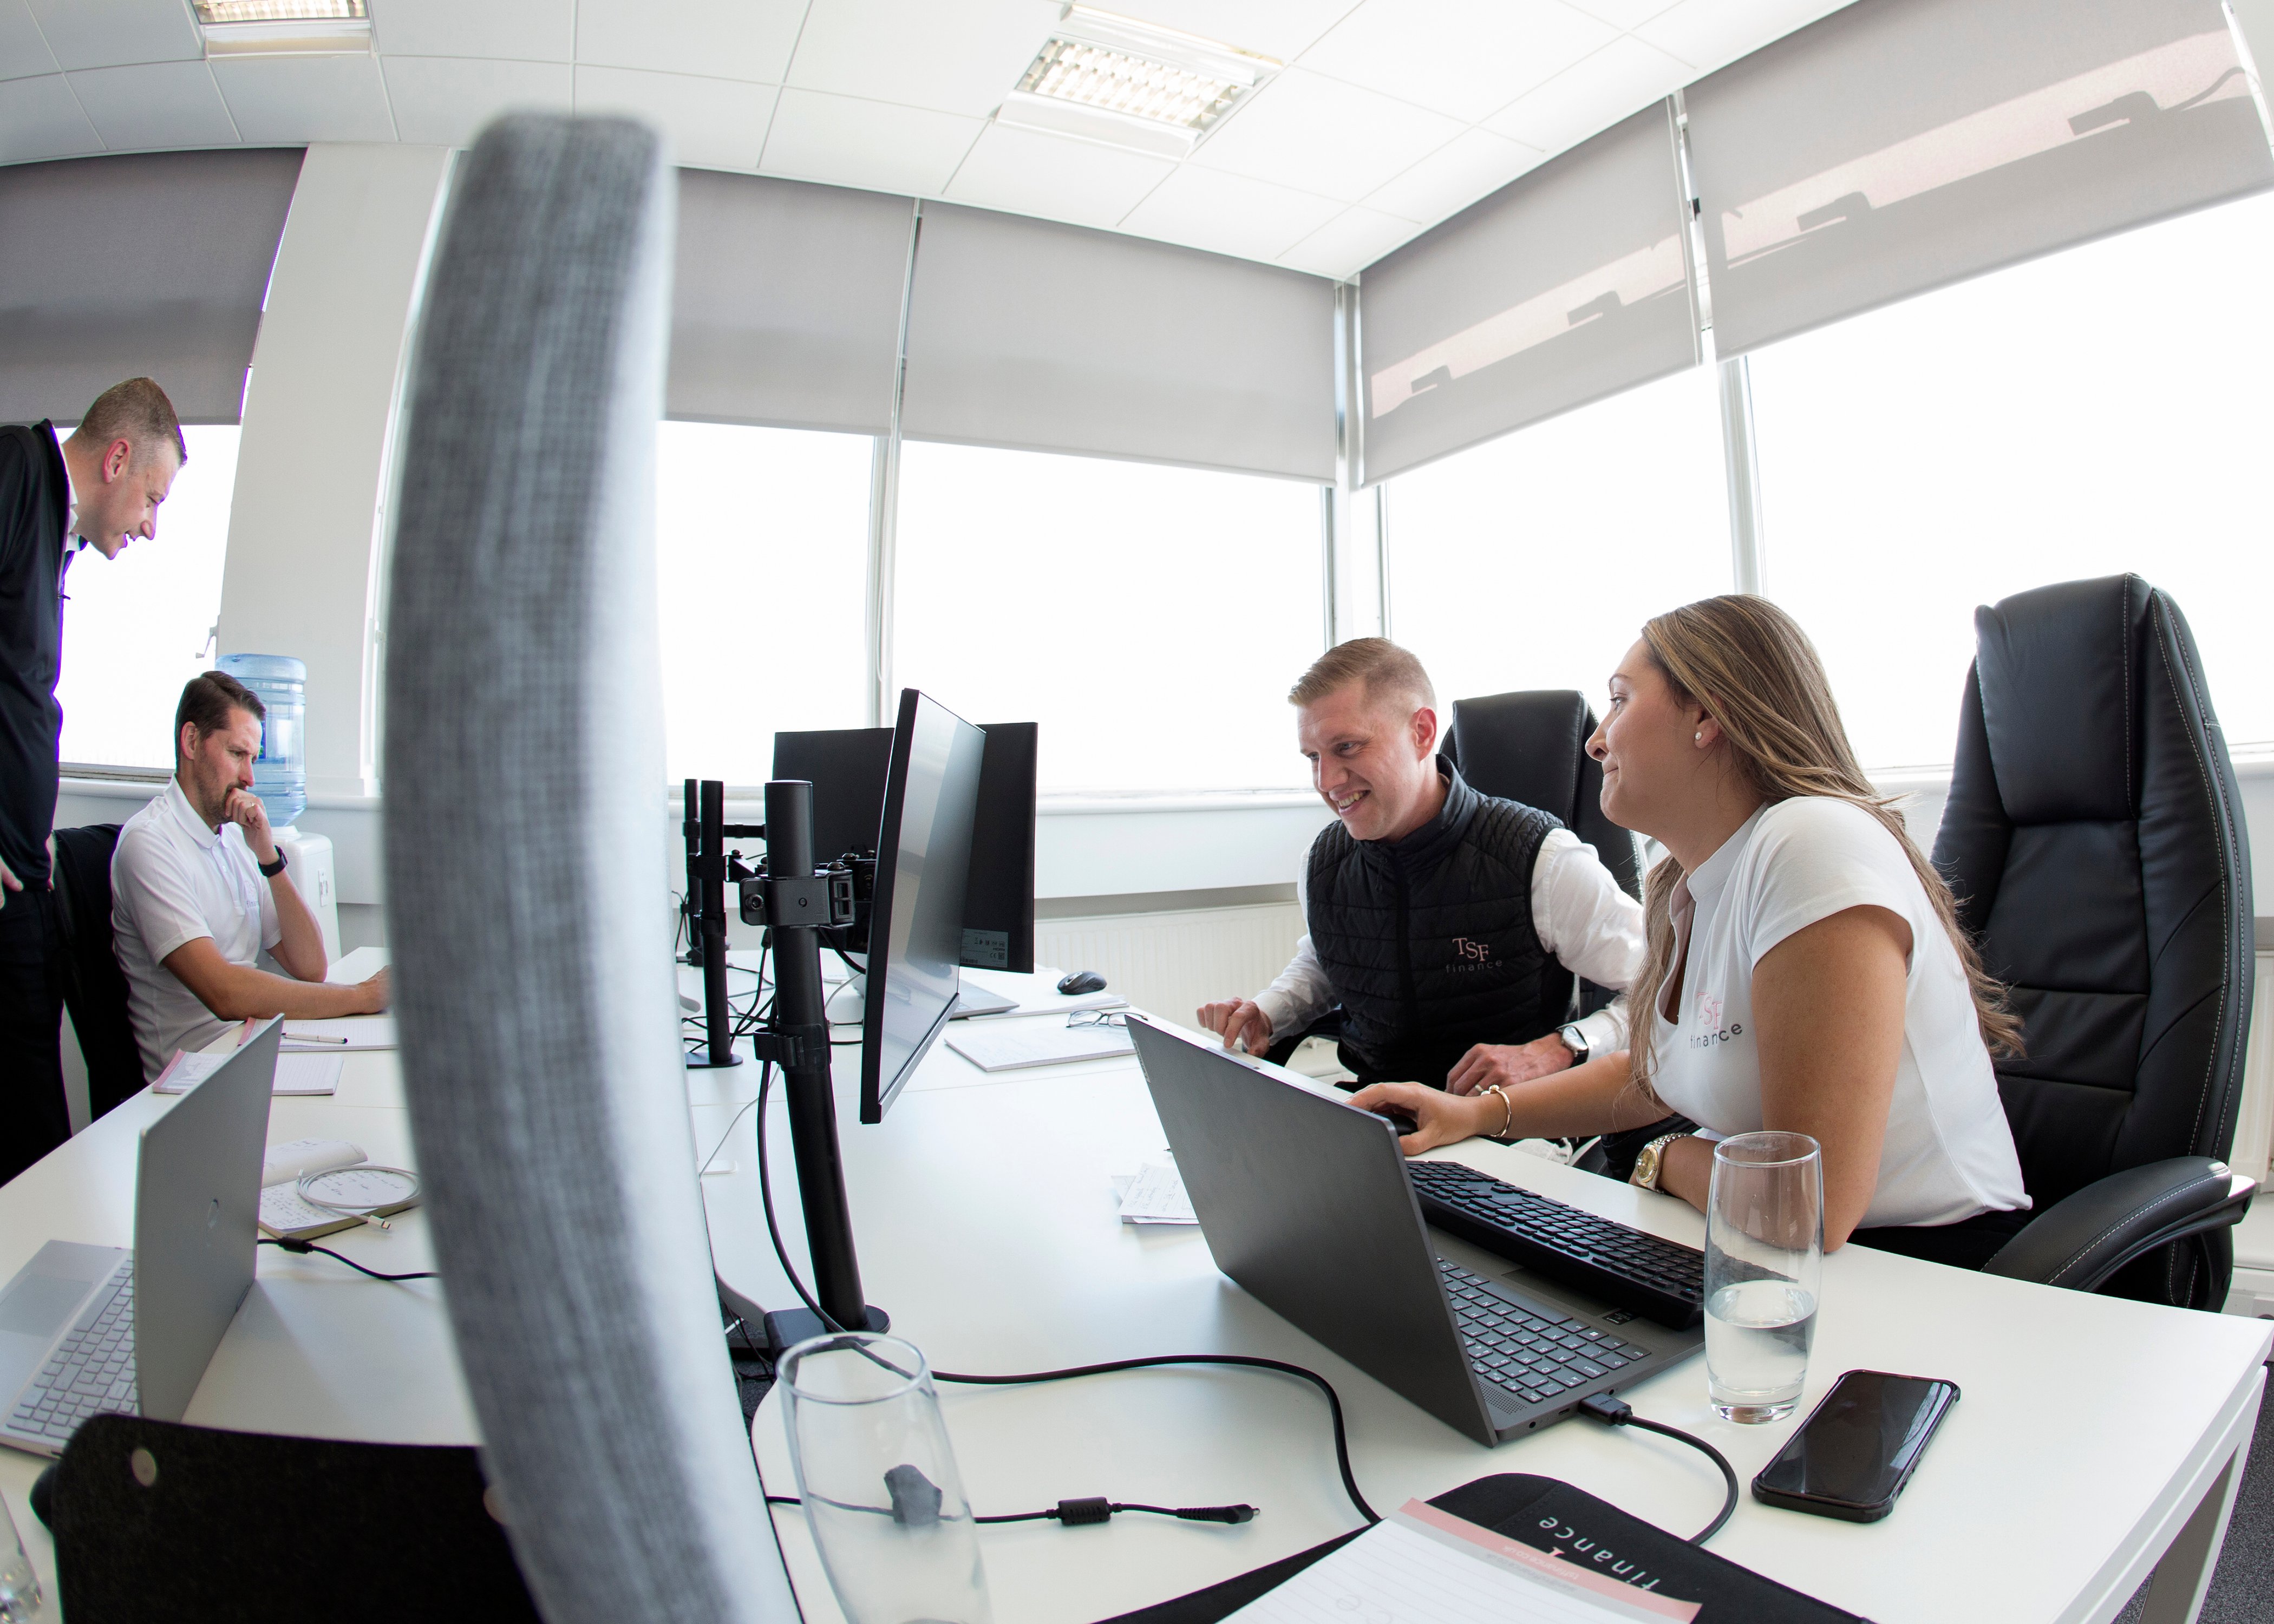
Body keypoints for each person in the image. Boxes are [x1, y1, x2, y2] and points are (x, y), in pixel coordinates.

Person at [1352, 597, 2030, 1263]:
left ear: (1707, 714)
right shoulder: (1689, 883)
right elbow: (1654, 1078)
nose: (1595, 740)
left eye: (1619, 701)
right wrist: (1473, 1113)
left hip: (1930, 1268)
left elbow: (1806, 1206)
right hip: (1780, 1249)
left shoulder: (1811, 844)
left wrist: (1662, 1156)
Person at [1198, 638, 1644, 1098]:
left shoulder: (1542, 858)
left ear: (1422, 734)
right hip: (1376, 1114)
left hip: (1508, 1127)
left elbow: (1665, 992)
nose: (1326, 782)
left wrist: (1563, 1047)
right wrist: (1268, 1011)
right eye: (1314, 757)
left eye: (1347, 748)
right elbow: (1326, 958)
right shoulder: (1323, 860)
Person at [0, 378, 187, 1180]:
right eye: (152, 497)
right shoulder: (13, 473)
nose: (151, 526)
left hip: (24, 872)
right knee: (28, 1135)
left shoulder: (52, 529)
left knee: (41, 1128)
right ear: (117, 457)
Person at [112, 671, 390, 1081]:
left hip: (251, 1050)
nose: (250, 778)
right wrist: (361, 996)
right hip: (196, 1078)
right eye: (237, 754)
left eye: (253, 759)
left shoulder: (232, 841)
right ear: (191, 742)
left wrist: (267, 856)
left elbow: (311, 966)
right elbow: (224, 992)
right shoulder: (150, 844)